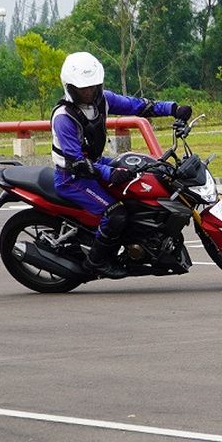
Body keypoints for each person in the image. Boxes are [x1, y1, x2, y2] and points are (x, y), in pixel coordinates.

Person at [51, 52, 192, 278]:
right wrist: (110, 173)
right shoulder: (64, 117)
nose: (88, 92)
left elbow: (137, 106)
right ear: (70, 87)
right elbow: (77, 162)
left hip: (95, 164)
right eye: (82, 88)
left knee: (151, 171)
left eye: (92, 86)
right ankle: (95, 262)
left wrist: (173, 109)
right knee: (115, 213)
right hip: (72, 177)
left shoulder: (102, 99)